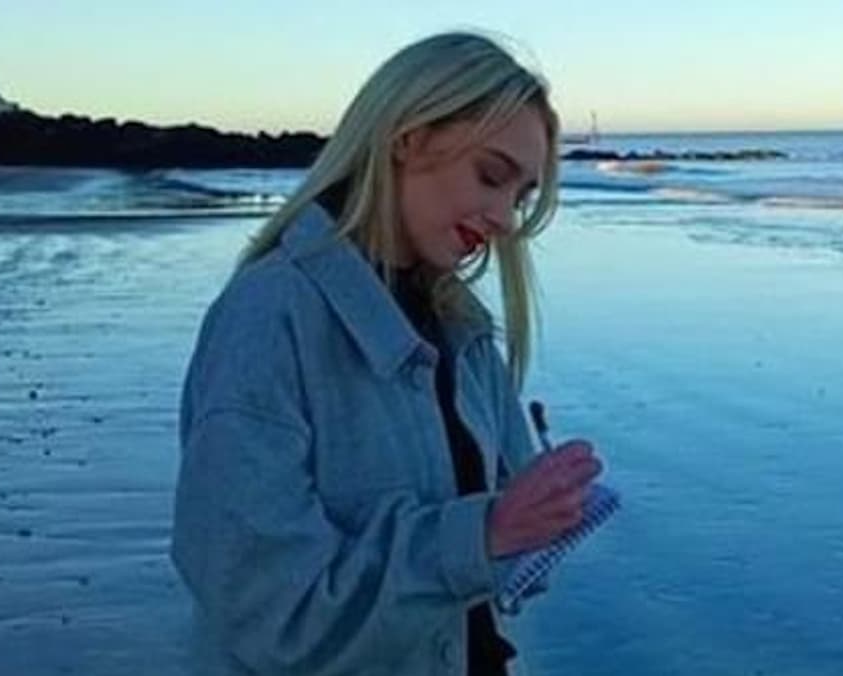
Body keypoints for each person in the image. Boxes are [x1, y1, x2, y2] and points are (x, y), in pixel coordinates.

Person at [171, 31, 604, 676]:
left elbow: (503, 564)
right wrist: (484, 535)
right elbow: (267, 610)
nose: (506, 218)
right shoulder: (268, 318)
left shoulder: (463, 330)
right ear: (408, 136)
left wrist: (545, 513)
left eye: (519, 196)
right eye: (491, 176)